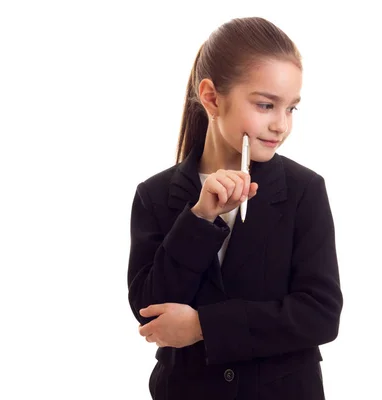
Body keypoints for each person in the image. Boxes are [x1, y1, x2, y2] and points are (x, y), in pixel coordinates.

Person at [127, 16, 343, 400]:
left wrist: (203, 326)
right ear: (211, 97)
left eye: (291, 108)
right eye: (265, 105)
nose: (281, 125)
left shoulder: (304, 190)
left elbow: (320, 314)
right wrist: (199, 218)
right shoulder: (155, 195)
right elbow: (148, 311)